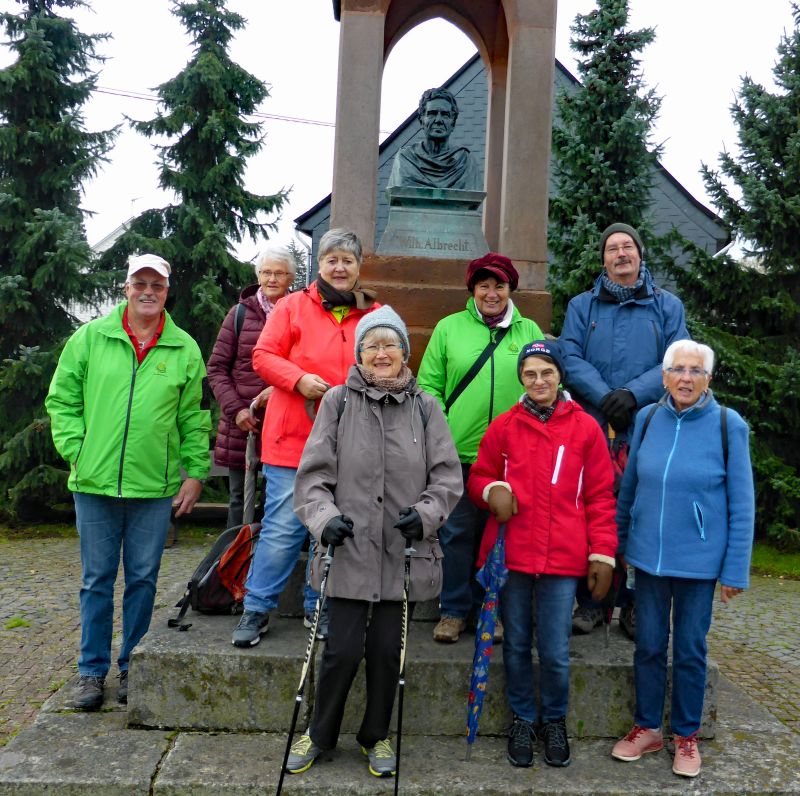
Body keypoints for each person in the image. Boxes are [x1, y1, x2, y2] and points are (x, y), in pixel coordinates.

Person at [285, 306, 461, 777]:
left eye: (390, 345)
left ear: (405, 352)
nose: (381, 353)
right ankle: (319, 733)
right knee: (341, 650)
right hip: (348, 550)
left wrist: (425, 515)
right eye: (372, 345)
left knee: (388, 652)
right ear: (359, 353)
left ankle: (376, 736)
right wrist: (324, 520)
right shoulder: (337, 402)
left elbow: (447, 477)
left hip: (400, 554)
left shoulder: (426, 407)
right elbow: (312, 477)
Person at [46, 253, 211, 711]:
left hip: (153, 489)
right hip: (94, 484)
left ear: (166, 292)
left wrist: (196, 471)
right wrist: (77, 450)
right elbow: (62, 400)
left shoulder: (184, 349)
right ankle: (90, 673)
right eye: (140, 283)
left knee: (143, 579)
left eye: (156, 285)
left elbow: (194, 417)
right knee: (96, 580)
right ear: (125, 288)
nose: (148, 292)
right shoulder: (90, 338)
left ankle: (133, 665)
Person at [467, 341, 617, 769]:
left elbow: (600, 497)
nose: (538, 381)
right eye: (530, 374)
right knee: (515, 644)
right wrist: (492, 491)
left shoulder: (586, 429)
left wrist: (603, 554)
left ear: (559, 376)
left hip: (563, 559)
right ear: (521, 378)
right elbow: (479, 476)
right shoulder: (504, 426)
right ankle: (521, 717)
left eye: (546, 373)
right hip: (512, 555)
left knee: (553, 649)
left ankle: (553, 719)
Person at [611, 340, 754, 778]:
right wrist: (616, 545)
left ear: (708, 379)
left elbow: (742, 504)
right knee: (649, 646)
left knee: (690, 649)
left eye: (696, 370)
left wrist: (734, 569)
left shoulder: (729, 426)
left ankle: (686, 735)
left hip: (698, 563)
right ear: (664, 376)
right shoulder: (647, 417)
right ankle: (648, 727)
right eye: (678, 369)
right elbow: (630, 486)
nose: (686, 378)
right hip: (648, 562)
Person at [231, 228, 379, 647]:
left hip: (348, 443)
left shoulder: (374, 313)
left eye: (347, 260)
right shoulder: (293, 306)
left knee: (328, 529)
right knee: (282, 528)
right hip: (291, 439)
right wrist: (297, 380)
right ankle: (257, 608)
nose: (339, 266)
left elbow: (388, 359)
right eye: (331, 259)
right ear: (319, 265)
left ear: (358, 267)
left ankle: (321, 607)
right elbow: (263, 355)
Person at [559, 222, 689, 637]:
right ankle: (593, 602)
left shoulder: (668, 307)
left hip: (648, 427)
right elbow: (569, 355)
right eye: (612, 248)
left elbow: (677, 359)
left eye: (627, 246)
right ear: (604, 259)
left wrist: (632, 395)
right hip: (596, 427)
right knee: (595, 513)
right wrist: (604, 397)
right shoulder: (583, 306)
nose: (621, 254)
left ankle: (634, 606)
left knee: (641, 516)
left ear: (639, 254)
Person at [417, 252, 543, 643]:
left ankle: (492, 610)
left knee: (502, 536)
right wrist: (440, 439)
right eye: (484, 285)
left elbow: (541, 387)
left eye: (499, 286)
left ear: (510, 290)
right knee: (456, 534)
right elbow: (429, 388)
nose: (492, 293)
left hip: (512, 458)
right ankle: (453, 610)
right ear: (472, 289)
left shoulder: (528, 331)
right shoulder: (449, 328)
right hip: (459, 455)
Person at [207, 245, 295, 529]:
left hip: (284, 423)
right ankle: (235, 559)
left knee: (278, 497)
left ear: (290, 278)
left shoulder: (299, 314)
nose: (272, 279)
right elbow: (217, 368)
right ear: (258, 275)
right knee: (239, 498)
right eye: (266, 272)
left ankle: (267, 560)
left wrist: (282, 390)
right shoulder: (238, 315)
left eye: (279, 273)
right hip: (242, 423)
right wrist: (237, 411)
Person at [387, 87, 480, 191]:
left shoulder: (466, 163)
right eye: (432, 113)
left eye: (445, 115)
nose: (438, 120)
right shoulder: (405, 159)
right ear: (421, 121)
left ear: (453, 123)